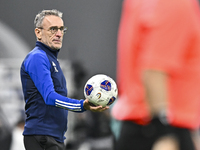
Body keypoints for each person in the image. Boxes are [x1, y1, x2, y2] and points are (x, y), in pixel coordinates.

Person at [111, 0, 200, 150]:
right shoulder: (175, 4)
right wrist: (165, 133)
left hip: (147, 129)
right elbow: (153, 71)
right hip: (158, 131)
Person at [20, 9, 108, 150]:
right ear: (38, 33)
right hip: (42, 137)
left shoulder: (51, 59)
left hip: (52, 137)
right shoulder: (37, 57)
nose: (59, 34)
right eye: (53, 29)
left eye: (61, 29)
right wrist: (81, 106)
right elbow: (49, 97)